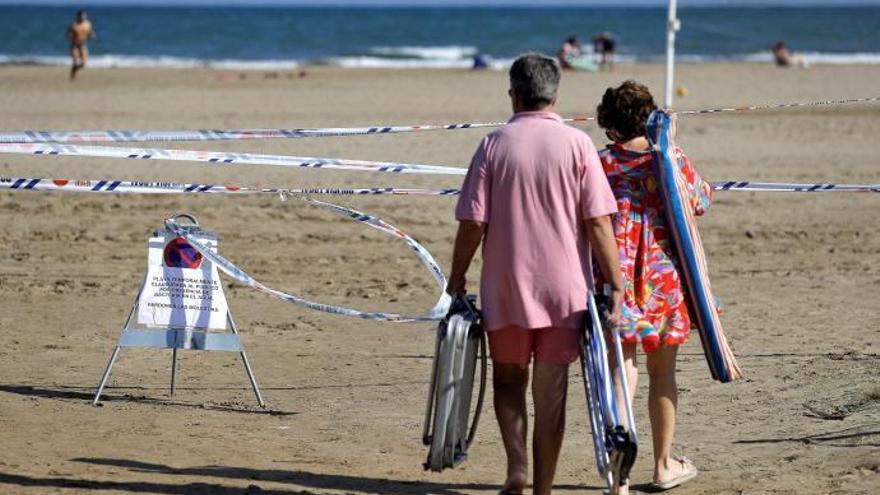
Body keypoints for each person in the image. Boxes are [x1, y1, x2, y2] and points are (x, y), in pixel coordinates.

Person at [448, 53, 624, 495]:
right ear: (554, 95)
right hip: (564, 292)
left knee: (508, 381)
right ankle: (542, 489)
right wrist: (616, 282)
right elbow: (599, 222)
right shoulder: (578, 144)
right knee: (552, 396)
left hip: (506, 288)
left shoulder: (494, 144)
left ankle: (518, 468)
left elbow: (473, 222)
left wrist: (457, 277)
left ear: (515, 94)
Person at [595, 80, 710, 494]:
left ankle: (619, 478)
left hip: (616, 274)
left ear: (609, 123)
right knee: (663, 373)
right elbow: (700, 200)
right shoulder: (667, 158)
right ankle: (663, 465)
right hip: (662, 275)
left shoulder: (600, 163)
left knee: (621, 372)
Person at [66, 10, 95, 80]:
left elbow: (90, 32)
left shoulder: (88, 24)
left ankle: (75, 69)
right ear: (78, 16)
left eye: (84, 15)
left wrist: (92, 35)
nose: (83, 17)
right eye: (82, 16)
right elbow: (67, 35)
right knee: (75, 61)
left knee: (84, 64)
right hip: (74, 45)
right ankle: (73, 76)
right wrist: (71, 38)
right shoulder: (74, 25)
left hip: (83, 45)